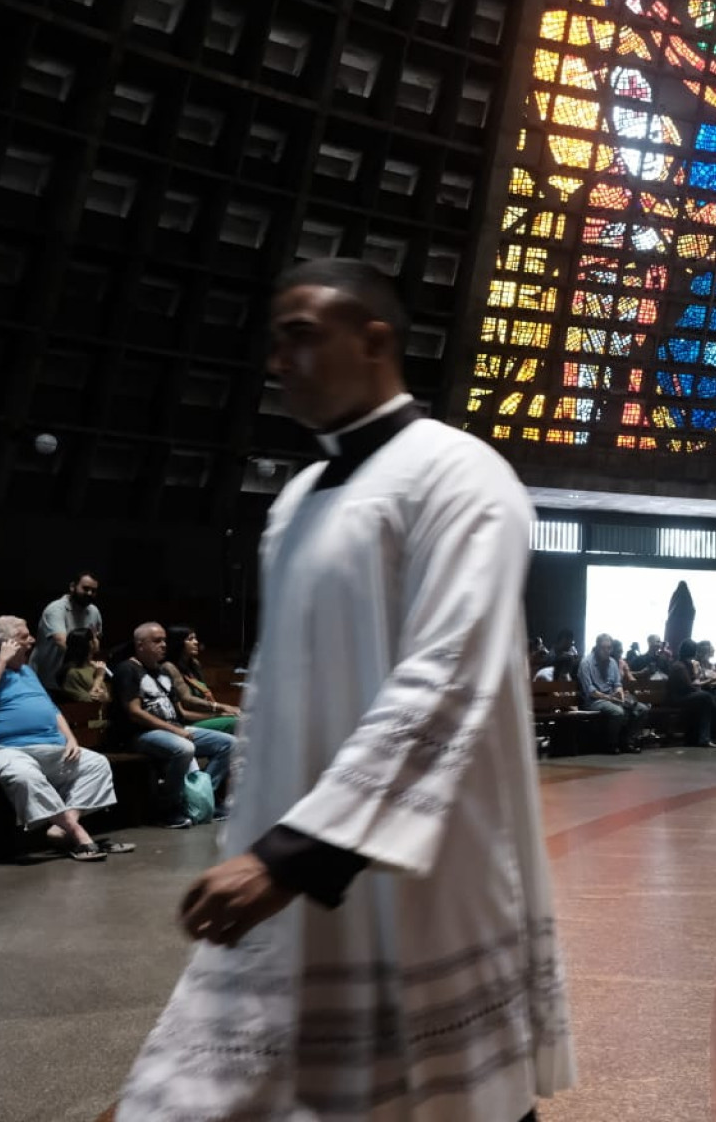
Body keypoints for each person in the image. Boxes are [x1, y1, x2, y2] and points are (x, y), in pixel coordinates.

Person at [119, 258, 573, 1122]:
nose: (277, 362)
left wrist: (299, 853)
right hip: (295, 844)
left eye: (300, 336)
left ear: (374, 341)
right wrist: (263, 836)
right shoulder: (294, 502)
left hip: (426, 859)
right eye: (274, 341)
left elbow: (448, 678)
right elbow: (287, 695)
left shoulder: (461, 475)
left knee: (455, 1095)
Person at [0, 616, 127, 861]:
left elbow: (52, 710)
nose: (32, 640)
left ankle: (62, 826)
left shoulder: (27, 672)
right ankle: (77, 832)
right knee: (24, 774)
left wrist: (70, 738)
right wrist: (2, 661)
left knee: (96, 764)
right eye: (24, 636)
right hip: (0, 749)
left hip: (50, 746)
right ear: (6, 644)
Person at [111, 623, 233, 829]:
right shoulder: (127, 669)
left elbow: (181, 713)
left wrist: (212, 713)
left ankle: (202, 796)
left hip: (173, 728)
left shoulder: (162, 672)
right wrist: (175, 730)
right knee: (184, 748)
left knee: (230, 744)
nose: (163, 645)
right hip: (142, 734)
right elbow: (135, 712)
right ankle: (167, 808)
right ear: (140, 645)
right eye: (157, 641)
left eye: (164, 640)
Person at [28, 573, 103, 687]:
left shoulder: (94, 611)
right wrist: (87, 662)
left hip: (74, 678)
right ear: (73, 586)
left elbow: (95, 642)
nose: (89, 593)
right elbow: (61, 642)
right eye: (85, 589)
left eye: (93, 591)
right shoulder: (56, 609)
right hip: (47, 676)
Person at [579, 633, 648, 754]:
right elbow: (590, 691)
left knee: (642, 708)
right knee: (618, 711)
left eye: (609, 648)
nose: (607, 651)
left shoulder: (612, 662)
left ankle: (628, 742)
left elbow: (617, 684)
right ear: (597, 647)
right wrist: (610, 698)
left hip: (611, 698)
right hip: (594, 701)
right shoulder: (586, 663)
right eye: (603, 648)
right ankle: (611, 744)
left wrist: (619, 694)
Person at [165, 625, 240, 734]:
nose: (196, 642)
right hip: (188, 720)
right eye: (190, 639)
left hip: (205, 715)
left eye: (195, 638)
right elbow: (187, 700)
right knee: (240, 723)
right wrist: (222, 708)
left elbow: (204, 695)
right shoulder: (169, 667)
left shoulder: (194, 664)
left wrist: (224, 711)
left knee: (244, 716)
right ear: (178, 643)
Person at [664, 640, 716, 747]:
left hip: (686, 696)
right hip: (676, 699)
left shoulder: (687, 664)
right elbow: (689, 686)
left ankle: (703, 738)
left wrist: (697, 683)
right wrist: (702, 686)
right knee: (706, 696)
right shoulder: (679, 666)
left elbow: (693, 681)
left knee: (706, 704)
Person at [57, 626, 112, 703]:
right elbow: (91, 699)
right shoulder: (73, 673)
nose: (98, 640)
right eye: (95, 638)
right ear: (89, 644)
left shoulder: (97, 665)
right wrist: (99, 677)